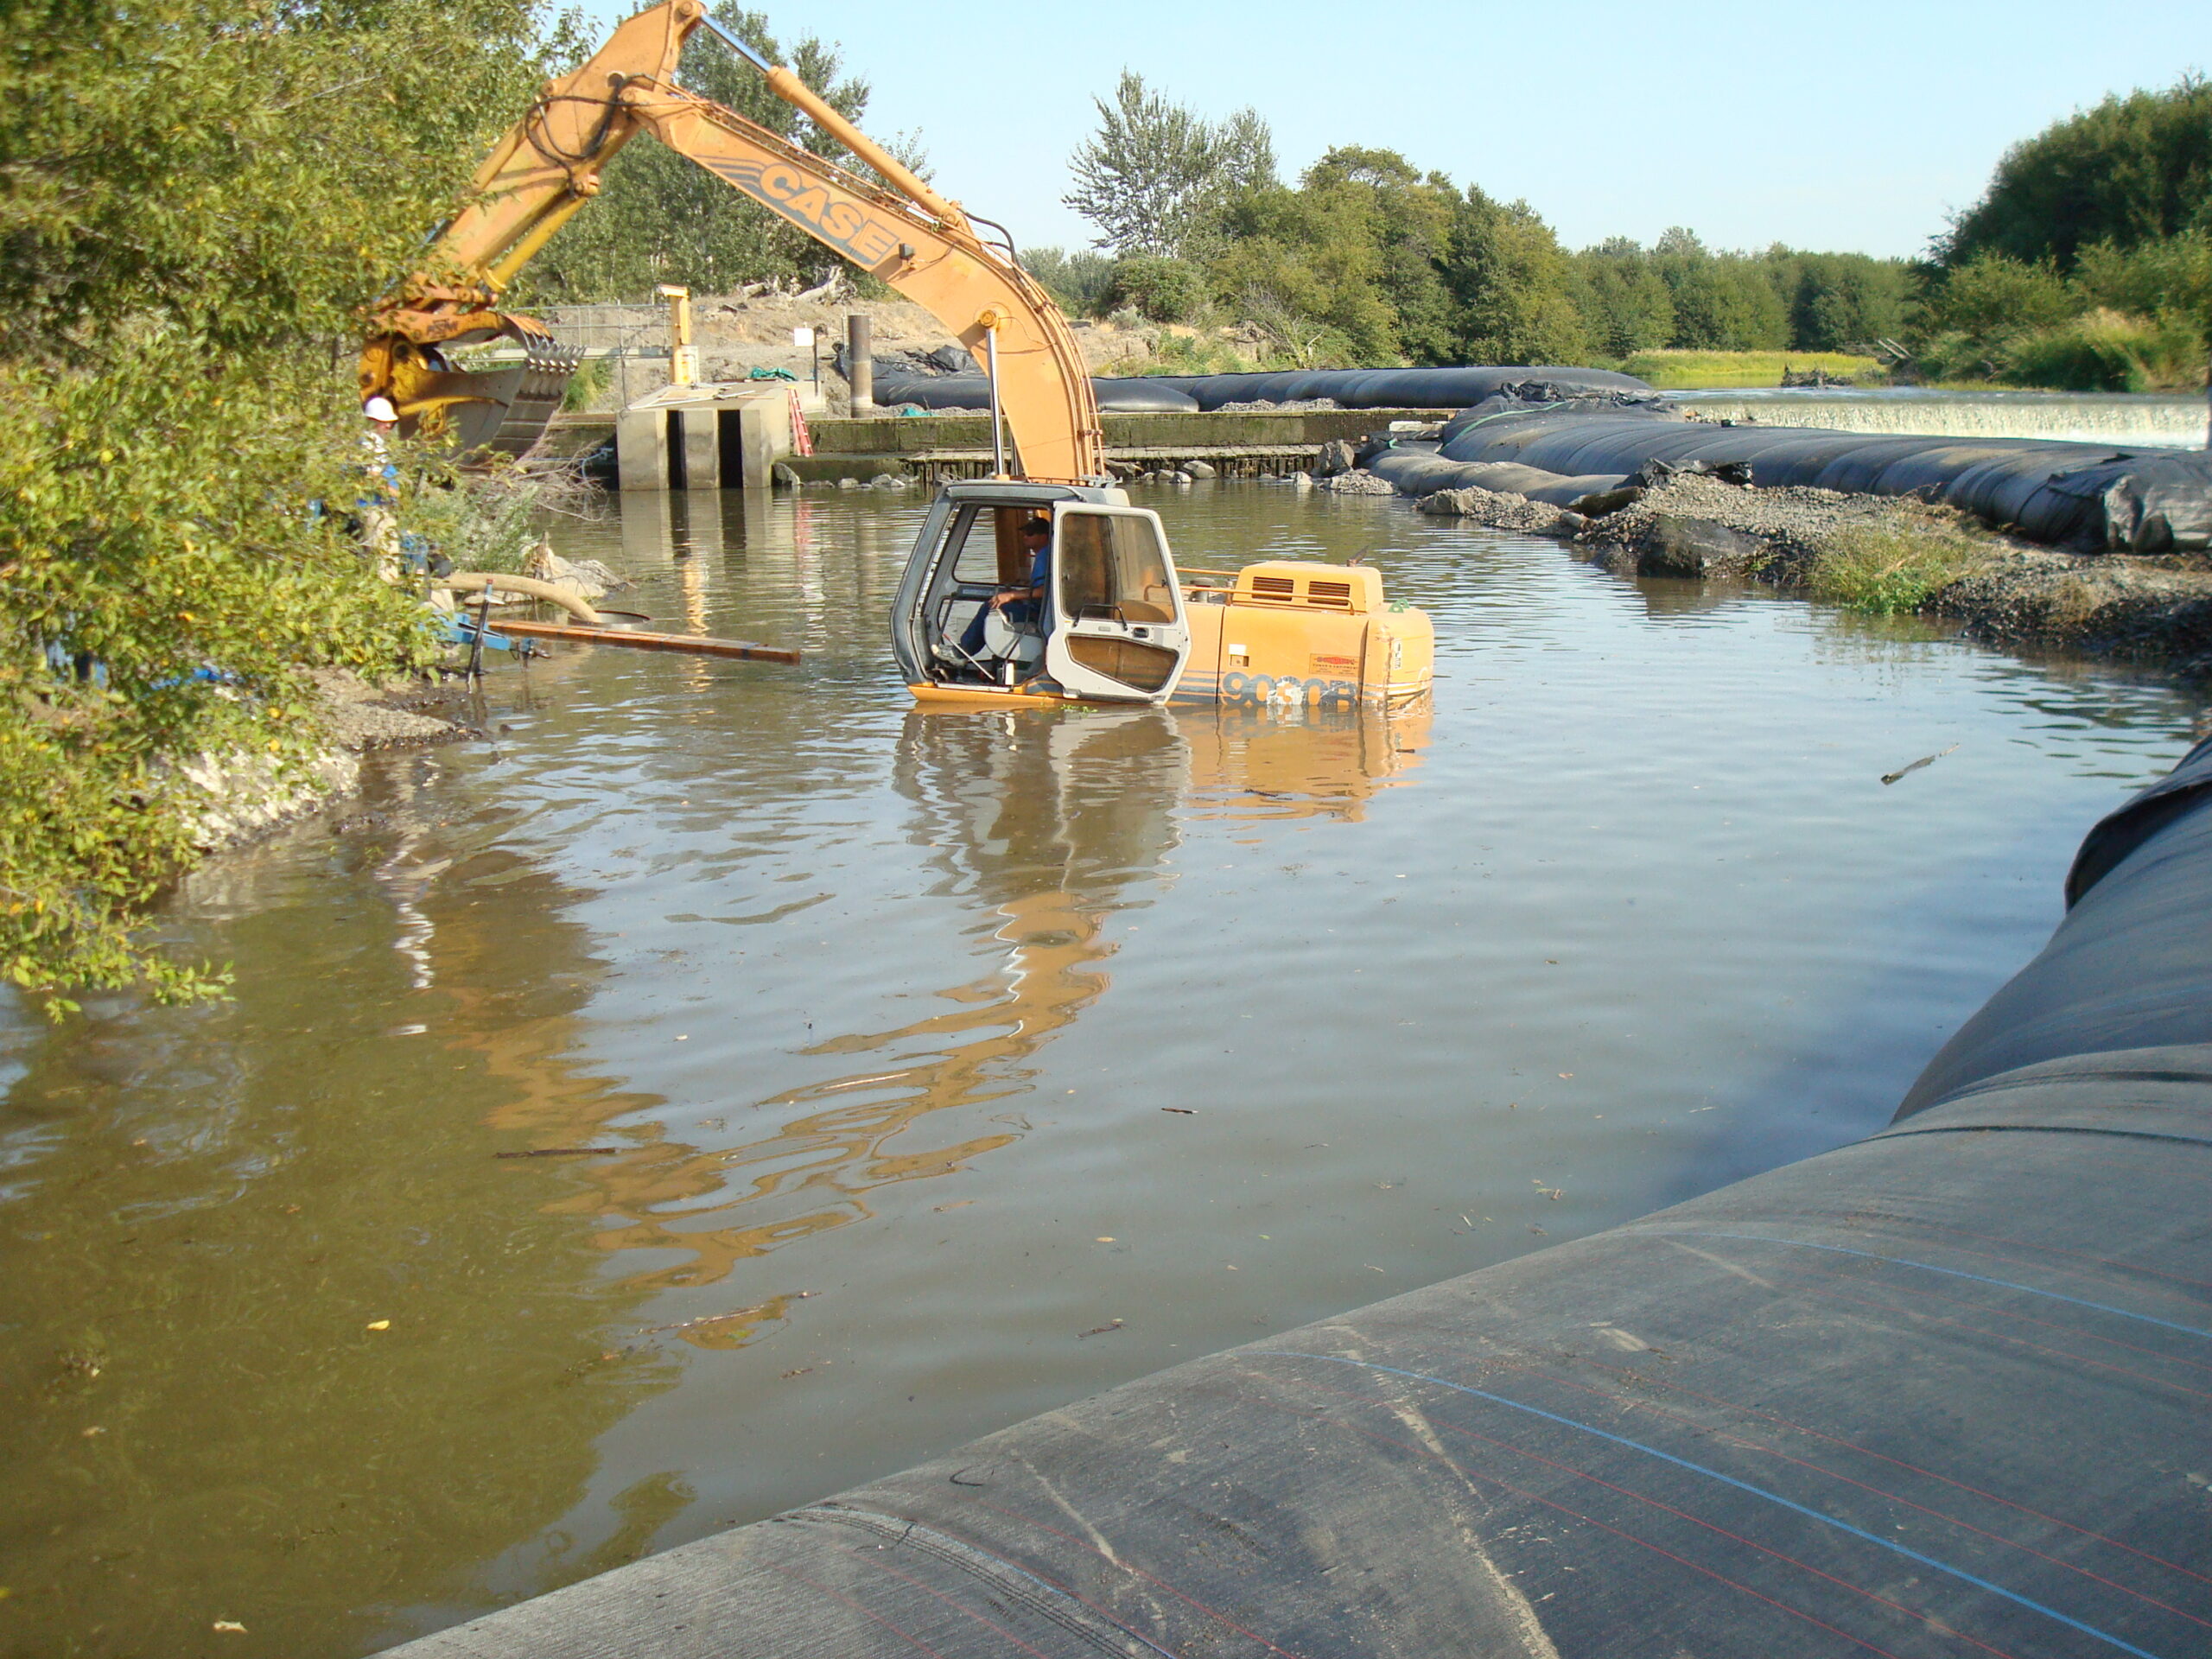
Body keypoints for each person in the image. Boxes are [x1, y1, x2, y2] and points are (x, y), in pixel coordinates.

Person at [959, 516, 1052, 662]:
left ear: (1044, 537)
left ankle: (962, 653)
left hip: (1040, 614)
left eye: (1030, 534)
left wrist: (1011, 596)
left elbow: (1044, 591)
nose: (1025, 537)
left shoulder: (1045, 555)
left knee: (990, 608)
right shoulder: (1044, 554)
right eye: (1024, 533)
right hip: (1038, 609)